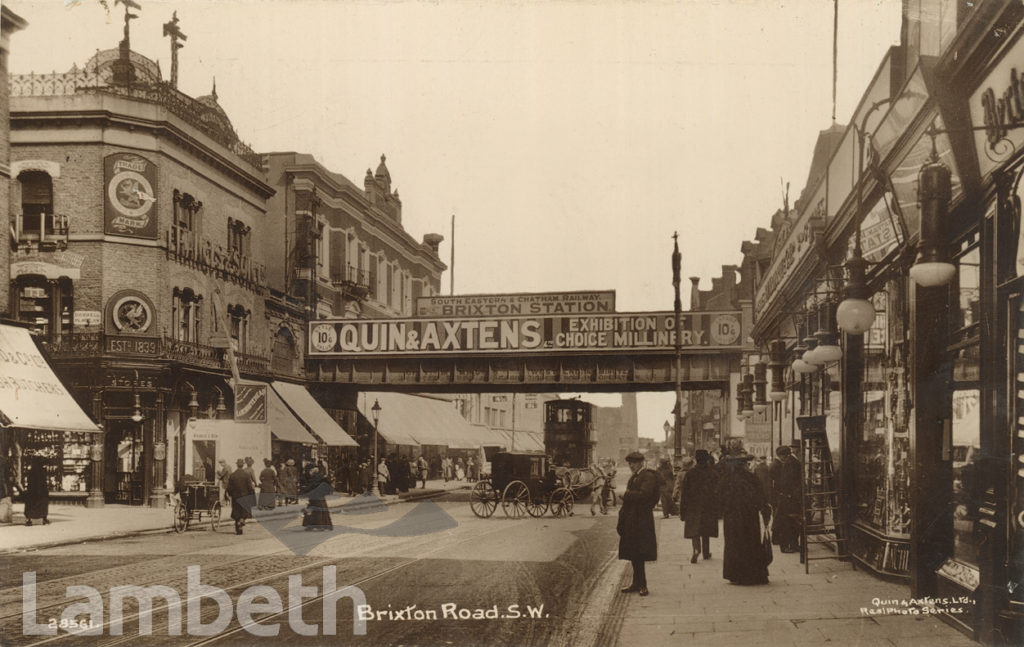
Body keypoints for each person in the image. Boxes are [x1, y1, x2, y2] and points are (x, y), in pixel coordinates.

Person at [718, 447, 771, 585]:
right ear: (743, 465)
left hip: (732, 518)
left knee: (734, 545)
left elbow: (719, 497)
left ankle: (735, 574)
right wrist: (765, 511)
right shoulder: (751, 478)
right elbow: (760, 498)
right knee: (750, 544)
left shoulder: (726, 480)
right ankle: (753, 574)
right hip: (749, 517)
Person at [617, 451, 658, 596]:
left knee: (640, 553)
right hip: (633, 519)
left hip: (641, 520)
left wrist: (626, 495)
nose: (631, 466)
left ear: (641, 462)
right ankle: (636, 583)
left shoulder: (648, 476)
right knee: (634, 552)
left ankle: (643, 585)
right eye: (629, 463)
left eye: (633, 463)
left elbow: (645, 495)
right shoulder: (636, 477)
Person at [679, 451, 718, 563]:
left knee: (694, 530)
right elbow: (717, 491)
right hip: (708, 506)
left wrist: (683, 510)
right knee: (706, 529)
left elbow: (684, 493)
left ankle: (696, 549)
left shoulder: (690, 473)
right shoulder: (712, 473)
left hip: (693, 506)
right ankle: (706, 553)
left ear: (696, 460)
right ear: (706, 460)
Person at [770, 445, 802, 553]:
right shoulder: (792, 462)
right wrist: (792, 495)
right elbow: (789, 482)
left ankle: (792, 544)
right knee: (787, 523)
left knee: (790, 523)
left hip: (787, 497)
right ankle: (786, 546)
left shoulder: (789, 462)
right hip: (789, 498)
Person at [226, 458, 255, 535]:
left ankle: (238, 523)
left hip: (235, 496)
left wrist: (230, 494)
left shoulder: (232, 475)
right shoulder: (246, 475)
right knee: (244, 511)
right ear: (243, 465)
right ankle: (242, 520)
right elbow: (250, 487)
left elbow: (229, 487)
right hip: (245, 496)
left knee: (236, 511)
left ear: (237, 465)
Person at [19, 456, 50, 526]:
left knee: (30, 505)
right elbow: (43, 482)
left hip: (32, 492)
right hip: (41, 492)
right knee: (43, 505)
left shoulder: (31, 471)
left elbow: (30, 482)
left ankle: (29, 519)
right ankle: (44, 519)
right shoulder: (42, 471)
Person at [302, 466, 333, 531]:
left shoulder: (315, 479)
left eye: (310, 471)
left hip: (316, 497)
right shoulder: (320, 477)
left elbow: (311, 487)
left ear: (312, 472)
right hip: (319, 497)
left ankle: (318, 525)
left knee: (317, 511)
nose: (309, 473)